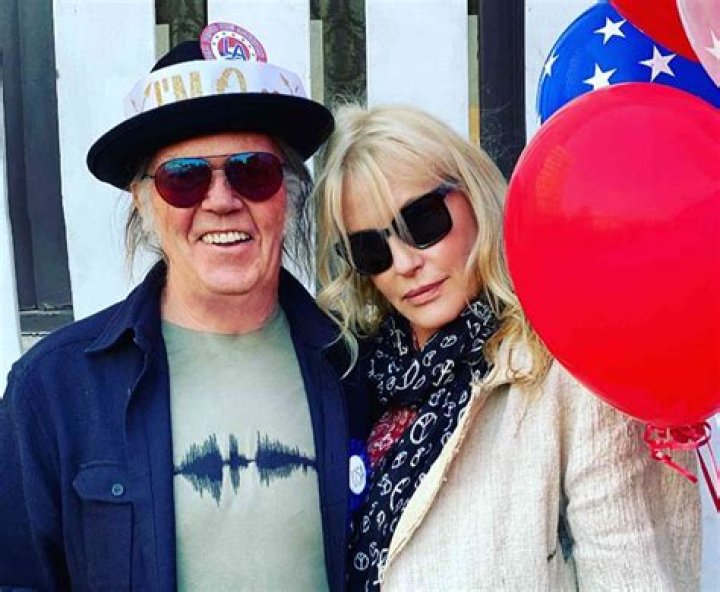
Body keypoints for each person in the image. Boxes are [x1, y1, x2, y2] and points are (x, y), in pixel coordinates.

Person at [1, 26, 367, 591]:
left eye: (253, 171)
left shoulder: (358, 366)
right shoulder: (52, 391)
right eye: (184, 179)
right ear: (144, 201)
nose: (221, 201)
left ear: (288, 193)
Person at [311, 104, 701, 591]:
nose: (405, 262)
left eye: (422, 221)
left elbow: (633, 575)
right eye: (371, 248)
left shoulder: (568, 370)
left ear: (473, 196)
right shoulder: (357, 377)